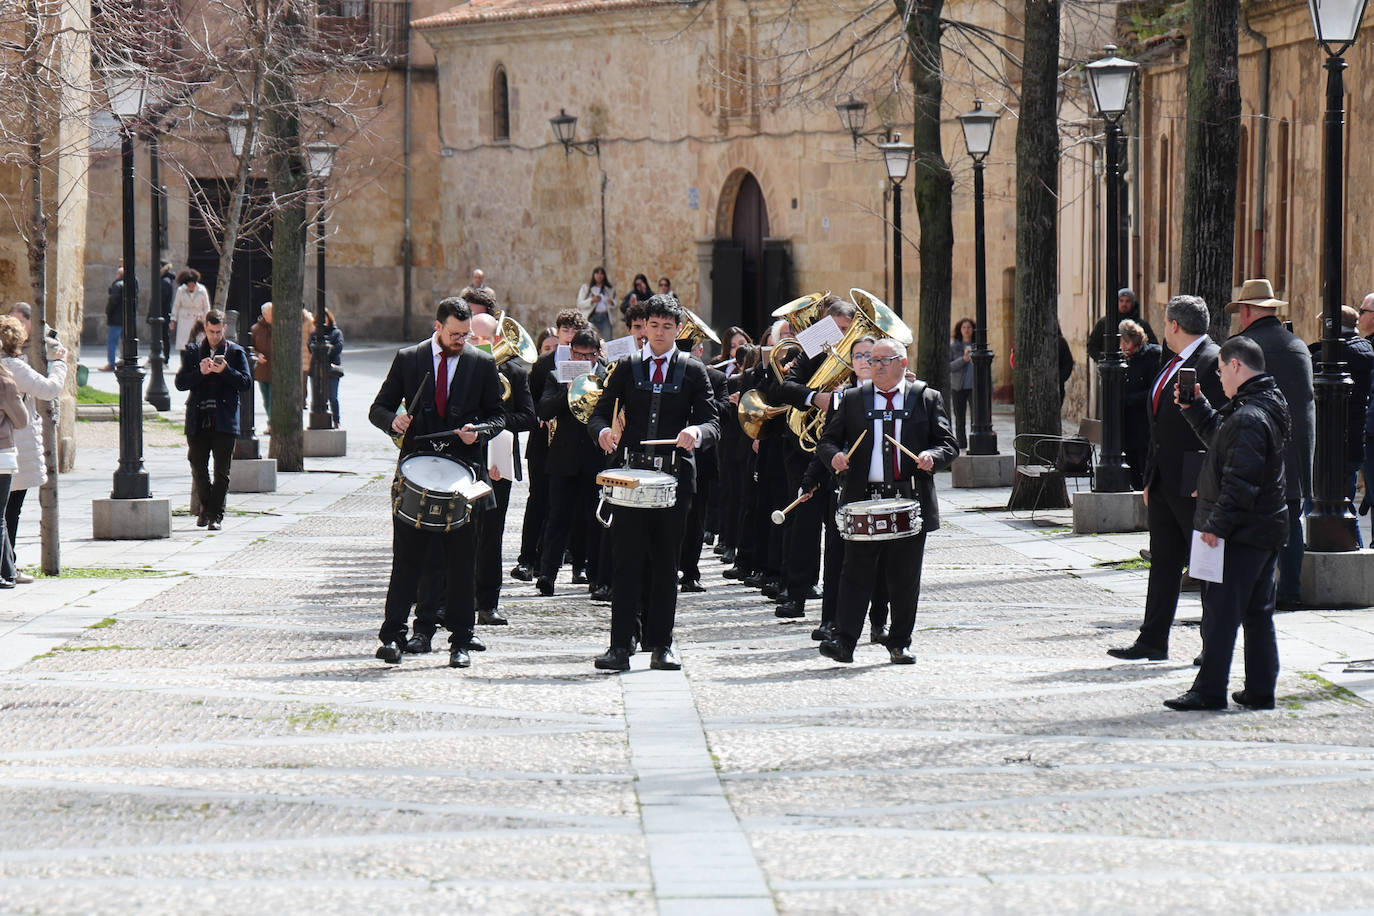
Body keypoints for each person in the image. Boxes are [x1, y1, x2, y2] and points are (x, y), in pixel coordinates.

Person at [369, 297, 506, 669]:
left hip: (463, 472)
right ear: (437, 327)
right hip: (417, 470)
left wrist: (477, 433)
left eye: (466, 335)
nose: (461, 341)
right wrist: (392, 422)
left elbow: (498, 416)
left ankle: (461, 638)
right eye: (455, 334)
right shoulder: (409, 359)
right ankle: (395, 636)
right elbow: (378, 408)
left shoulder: (482, 362)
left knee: (462, 561)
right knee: (409, 560)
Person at [586, 295, 720, 672]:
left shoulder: (694, 370)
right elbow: (599, 414)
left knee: (665, 564)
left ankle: (662, 644)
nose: (659, 334)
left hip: (675, 479)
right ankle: (619, 645)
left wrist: (696, 431)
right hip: (631, 477)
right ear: (643, 328)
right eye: (652, 326)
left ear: (678, 330)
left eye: (666, 327)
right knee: (625, 563)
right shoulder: (626, 367)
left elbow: (713, 422)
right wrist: (602, 434)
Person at [814, 338, 959, 664]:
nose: (876, 365)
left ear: (903, 364)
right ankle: (844, 642)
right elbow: (827, 442)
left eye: (884, 360)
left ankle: (899, 642)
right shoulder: (852, 399)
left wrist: (931, 456)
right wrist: (835, 456)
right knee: (854, 573)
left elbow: (949, 445)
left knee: (904, 577)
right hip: (863, 500)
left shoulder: (925, 398)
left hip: (908, 498)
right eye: (870, 359)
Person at [1164, 336, 1289, 711]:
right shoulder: (1261, 404)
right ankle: (1260, 690)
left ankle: (1209, 691)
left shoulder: (1250, 415)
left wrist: (1215, 527)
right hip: (1261, 529)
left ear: (1236, 365)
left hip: (1242, 532)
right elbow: (1224, 441)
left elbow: (1241, 481)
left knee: (1221, 614)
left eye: (1220, 370)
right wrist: (1196, 406)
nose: (1218, 379)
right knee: (1256, 613)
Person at [1108, 295, 1224, 662]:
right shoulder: (1172, 361)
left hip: (1194, 482)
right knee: (1164, 562)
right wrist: (1149, 477)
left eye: (1165, 322)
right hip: (1162, 481)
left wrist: (1202, 479)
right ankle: (1153, 639)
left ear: (1174, 325)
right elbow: (1158, 425)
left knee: (1205, 568)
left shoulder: (1211, 360)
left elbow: (1216, 429)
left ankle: (1213, 645)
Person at [1229, 278, 1313, 610]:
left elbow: (1232, 397)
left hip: (1256, 444)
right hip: (1294, 448)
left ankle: (1254, 587)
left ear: (1248, 311)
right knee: (1290, 516)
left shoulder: (1243, 347)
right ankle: (1290, 589)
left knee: (1252, 517)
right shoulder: (1298, 345)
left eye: (1241, 312)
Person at [469, 308, 536, 625]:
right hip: (465, 461)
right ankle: (454, 599)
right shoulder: (462, 367)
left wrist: (492, 424)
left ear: (497, 338)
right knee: (461, 533)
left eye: (486, 337)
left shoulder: (516, 373)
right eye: (474, 337)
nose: (480, 342)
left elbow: (527, 417)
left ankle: (488, 603)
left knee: (492, 534)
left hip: (497, 461)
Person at [512, 310, 588, 583]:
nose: (569, 336)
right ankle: (527, 561)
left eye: (574, 331)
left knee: (575, 506)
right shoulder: (543, 364)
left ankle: (573, 563)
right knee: (539, 501)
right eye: (565, 331)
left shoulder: (589, 363)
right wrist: (540, 416)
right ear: (557, 332)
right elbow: (528, 400)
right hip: (543, 443)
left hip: (572, 444)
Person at [535, 327, 606, 597]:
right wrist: (568, 392)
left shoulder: (607, 376)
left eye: (589, 356)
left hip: (595, 457)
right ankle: (547, 574)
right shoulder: (557, 376)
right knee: (557, 518)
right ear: (571, 353)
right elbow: (543, 410)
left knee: (595, 518)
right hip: (563, 458)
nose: (583, 361)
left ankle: (596, 576)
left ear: (597, 354)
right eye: (578, 355)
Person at [173, 310, 252, 531]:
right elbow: (180, 383)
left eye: (218, 332)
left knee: (221, 473)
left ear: (224, 329)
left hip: (224, 420)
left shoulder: (235, 353)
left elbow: (246, 383)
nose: (215, 336)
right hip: (199, 419)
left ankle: (215, 515)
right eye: (211, 331)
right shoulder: (193, 352)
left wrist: (226, 371)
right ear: (205, 328)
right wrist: (200, 372)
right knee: (197, 466)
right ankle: (207, 509)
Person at [0, 314, 62, 585]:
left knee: (7, 510)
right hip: (15, 445)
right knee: (10, 511)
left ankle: (9, 564)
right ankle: (8, 567)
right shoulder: (13, 368)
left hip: (14, 445)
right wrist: (60, 364)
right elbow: (49, 389)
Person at [1309, 305, 1372, 547]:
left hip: (1333, 442)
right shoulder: (1366, 350)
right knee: (1346, 503)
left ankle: (1349, 547)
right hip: (1356, 440)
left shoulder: (1332, 354)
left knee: (1326, 504)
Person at [1119, 318, 1162, 490]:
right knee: (1132, 462)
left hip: (1144, 420)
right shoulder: (1124, 358)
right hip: (1128, 422)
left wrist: (1130, 399)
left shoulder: (1152, 355)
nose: (1122, 347)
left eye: (1124, 342)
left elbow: (1154, 388)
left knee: (1143, 459)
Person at [0, 357, 29, 588]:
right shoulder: (5, 383)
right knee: (0, 518)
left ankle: (8, 571)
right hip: (1, 454)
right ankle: (3, 573)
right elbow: (22, 421)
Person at [1087, 288, 1155, 365]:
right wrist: (1103, 360)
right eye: (1121, 301)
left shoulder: (1141, 325)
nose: (1124, 304)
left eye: (1127, 301)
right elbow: (1092, 346)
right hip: (1108, 370)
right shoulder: (1104, 323)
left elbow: (1152, 345)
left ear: (1132, 303)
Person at [309, 308, 345, 428]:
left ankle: (336, 419)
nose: (323, 321)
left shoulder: (336, 333)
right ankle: (317, 418)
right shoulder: (314, 334)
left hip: (331, 368)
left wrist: (326, 351)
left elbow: (339, 346)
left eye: (325, 318)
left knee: (332, 396)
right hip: (316, 368)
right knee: (316, 397)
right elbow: (310, 346)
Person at [948, 317, 975, 450]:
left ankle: (975, 443)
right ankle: (962, 444)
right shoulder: (954, 347)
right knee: (960, 419)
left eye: (969, 327)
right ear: (960, 330)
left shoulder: (978, 345)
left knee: (976, 418)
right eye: (964, 327)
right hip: (958, 387)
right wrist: (963, 360)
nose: (966, 330)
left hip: (974, 387)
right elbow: (949, 366)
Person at [170, 268, 211, 352]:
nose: (191, 287)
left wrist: (207, 319)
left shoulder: (202, 290)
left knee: (197, 343)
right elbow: (176, 305)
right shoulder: (181, 290)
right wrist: (173, 320)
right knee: (184, 345)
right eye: (189, 285)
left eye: (193, 285)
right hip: (184, 320)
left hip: (198, 320)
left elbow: (207, 306)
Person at [103, 266, 131, 371]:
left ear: (119, 275)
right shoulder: (130, 285)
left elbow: (113, 301)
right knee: (125, 341)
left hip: (115, 319)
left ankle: (111, 363)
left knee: (112, 342)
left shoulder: (117, 285)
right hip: (126, 319)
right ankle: (125, 360)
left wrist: (108, 312)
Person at [250, 303, 273, 423]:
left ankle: (272, 424)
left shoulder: (279, 326)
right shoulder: (255, 329)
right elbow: (250, 347)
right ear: (265, 315)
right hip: (262, 370)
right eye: (271, 312)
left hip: (276, 370)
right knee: (267, 398)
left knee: (273, 399)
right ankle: (271, 422)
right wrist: (257, 355)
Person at [578, 266, 615, 338]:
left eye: (601, 274)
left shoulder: (609, 289)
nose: (599, 276)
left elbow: (615, 303)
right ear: (593, 275)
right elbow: (580, 303)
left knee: (606, 339)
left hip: (605, 317)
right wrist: (592, 300)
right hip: (592, 317)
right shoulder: (586, 288)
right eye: (597, 273)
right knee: (591, 339)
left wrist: (611, 302)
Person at [156, 262, 175, 359]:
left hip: (162, 313)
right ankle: (163, 357)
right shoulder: (166, 280)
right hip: (163, 312)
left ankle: (163, 358)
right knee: (163, 336)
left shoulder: (164, 281)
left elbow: (160, 300)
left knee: (162, 336)